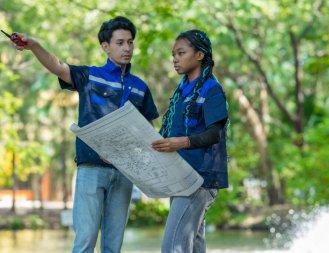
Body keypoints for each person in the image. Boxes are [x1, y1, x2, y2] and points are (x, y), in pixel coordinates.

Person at [15, 16, 159, 253]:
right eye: (120, 43)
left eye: (130, 43)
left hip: (124, 174)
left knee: (113, 246)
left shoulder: (140, 87)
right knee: (85, 243)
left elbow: (148, 132)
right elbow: (58, 66)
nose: (127, 48)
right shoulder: (89, 76)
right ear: (105, 46)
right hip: (91, 170)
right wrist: (34, 45)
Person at [151, 30, 228, 253]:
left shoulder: (211, 89)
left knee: (173, 246)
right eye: (173, 54)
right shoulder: (180, 93)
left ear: (199, 55)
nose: (175, 59)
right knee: (193, 245)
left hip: (199, 178)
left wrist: (182, 143)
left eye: (181, 53)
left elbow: (215, 134)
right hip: (179, 176)